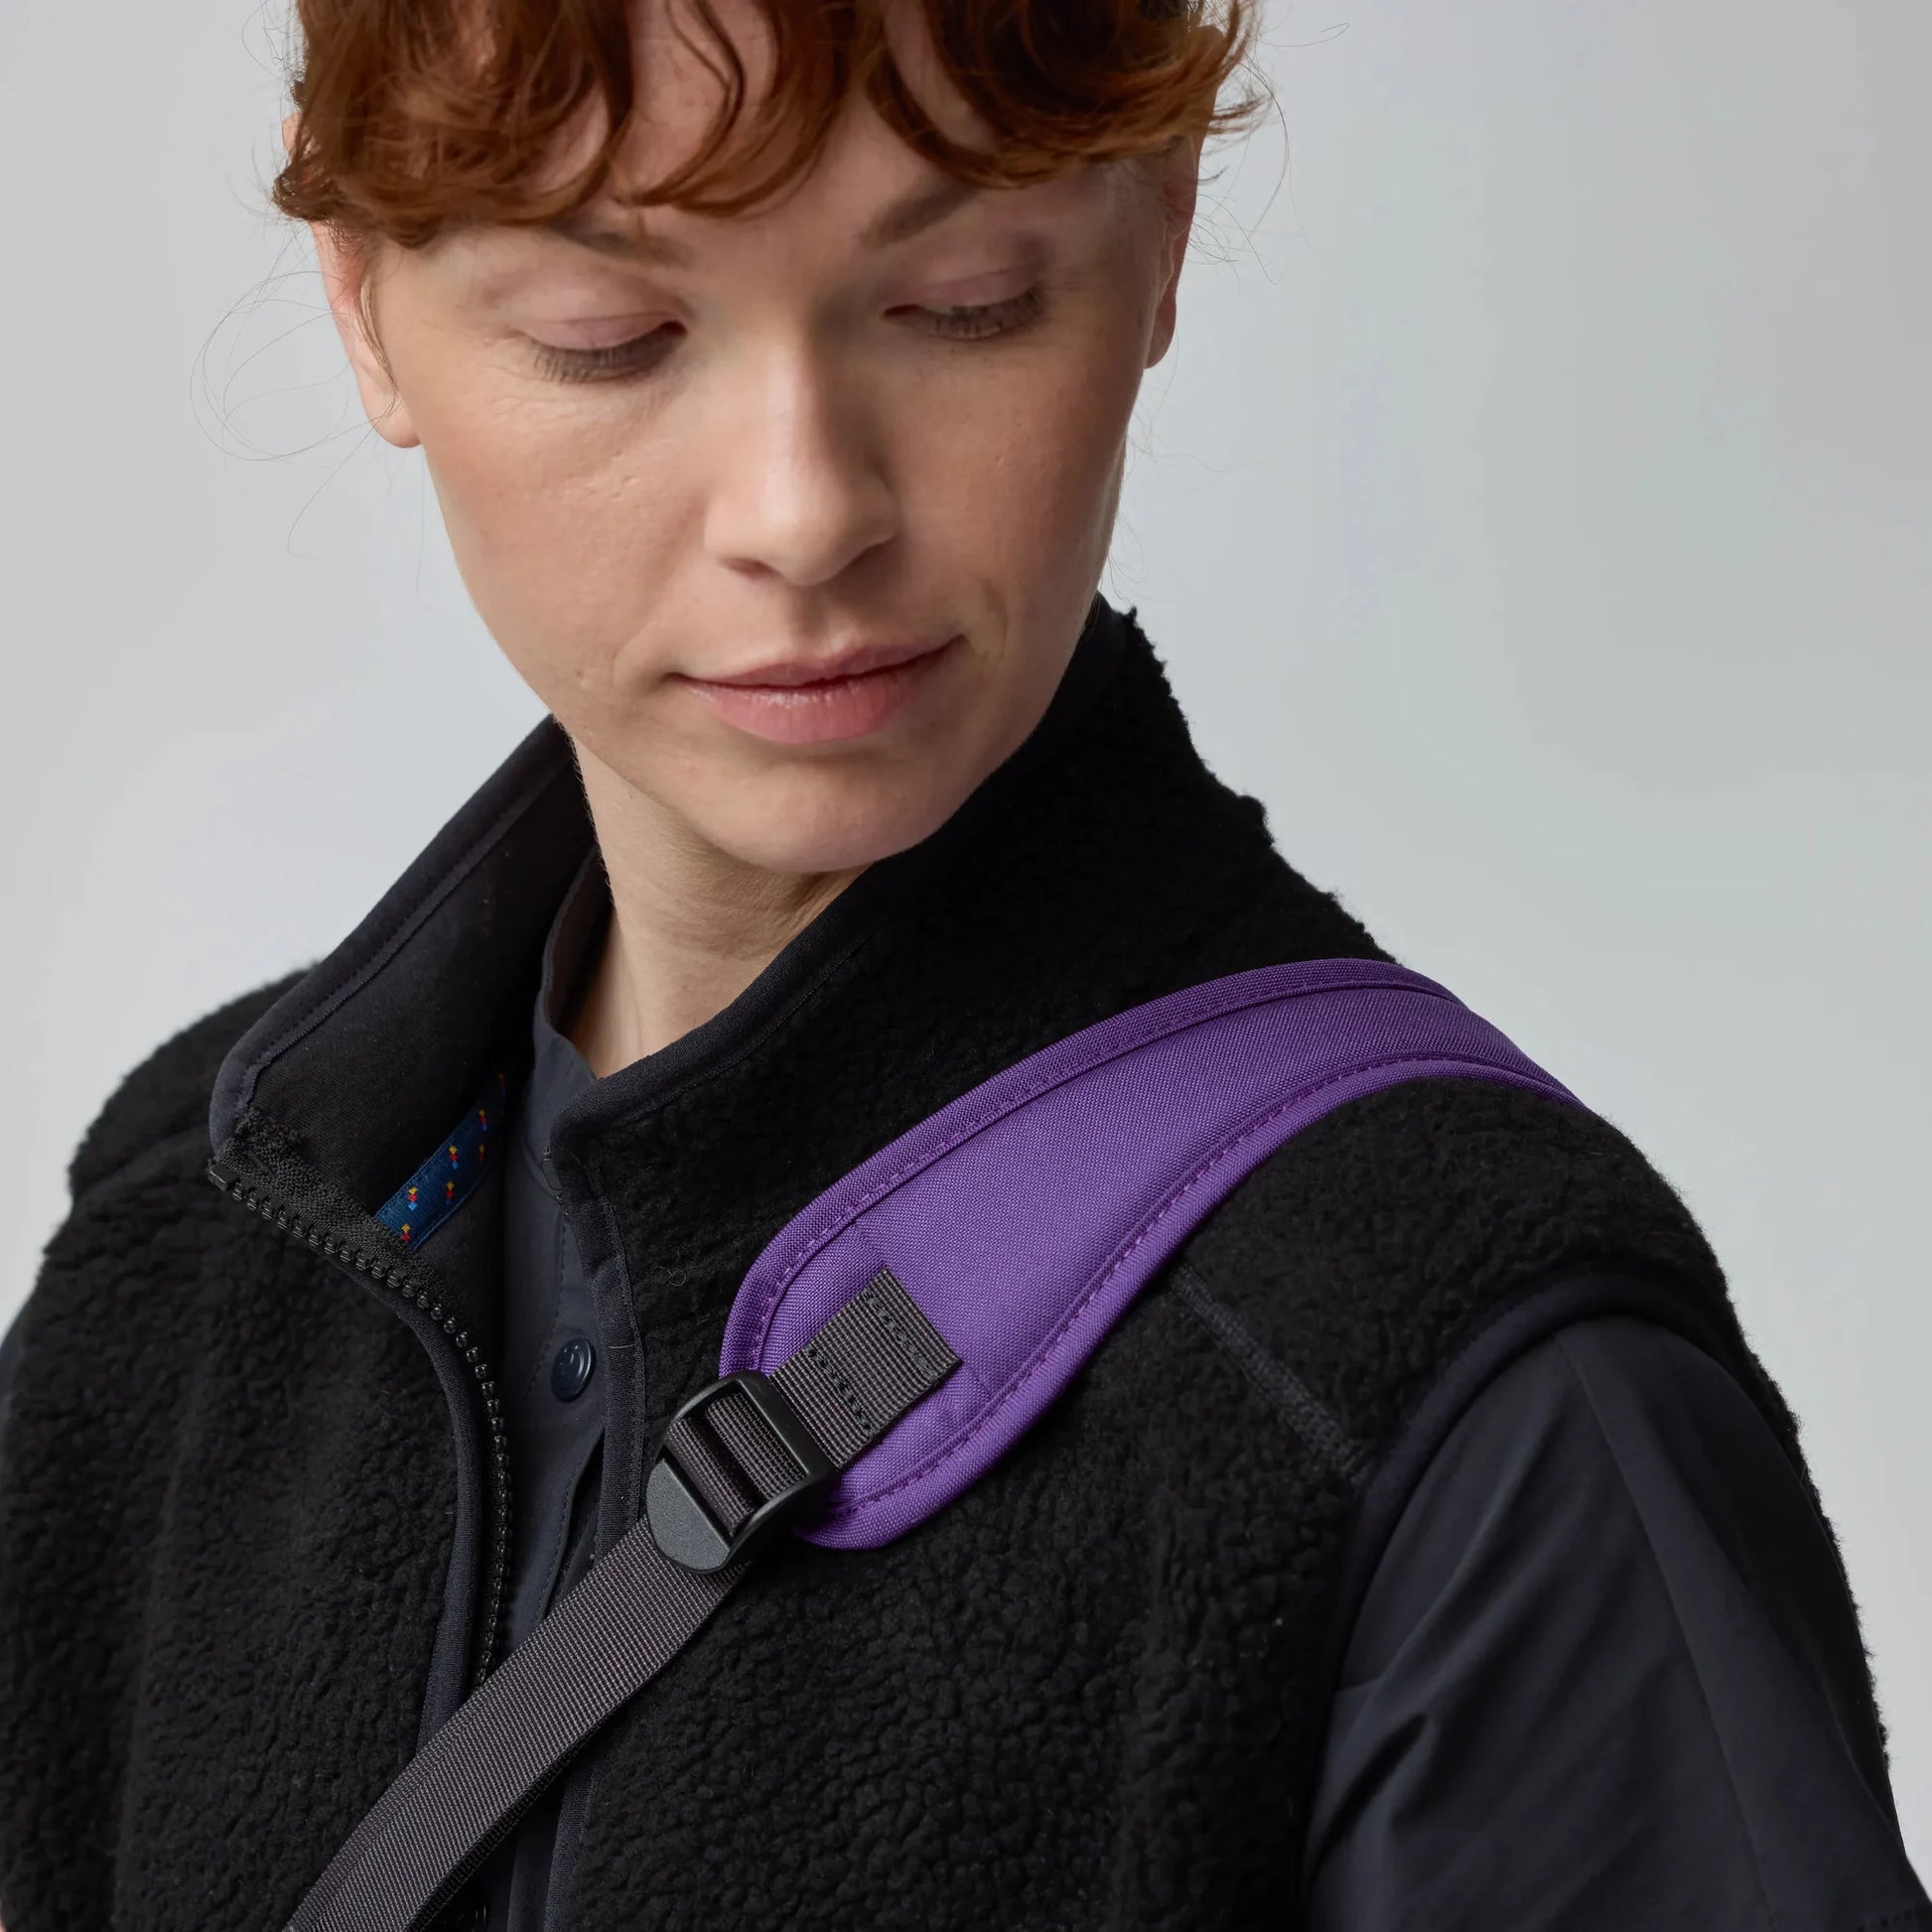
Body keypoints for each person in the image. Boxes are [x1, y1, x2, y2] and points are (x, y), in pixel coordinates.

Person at [0, 0, 1924, 1926]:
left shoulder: (1478, 1389)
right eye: (612, 335)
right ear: (361, 305)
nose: (805, 509)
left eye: (963, 303)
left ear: (1161, 235)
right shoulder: (197, 1232)